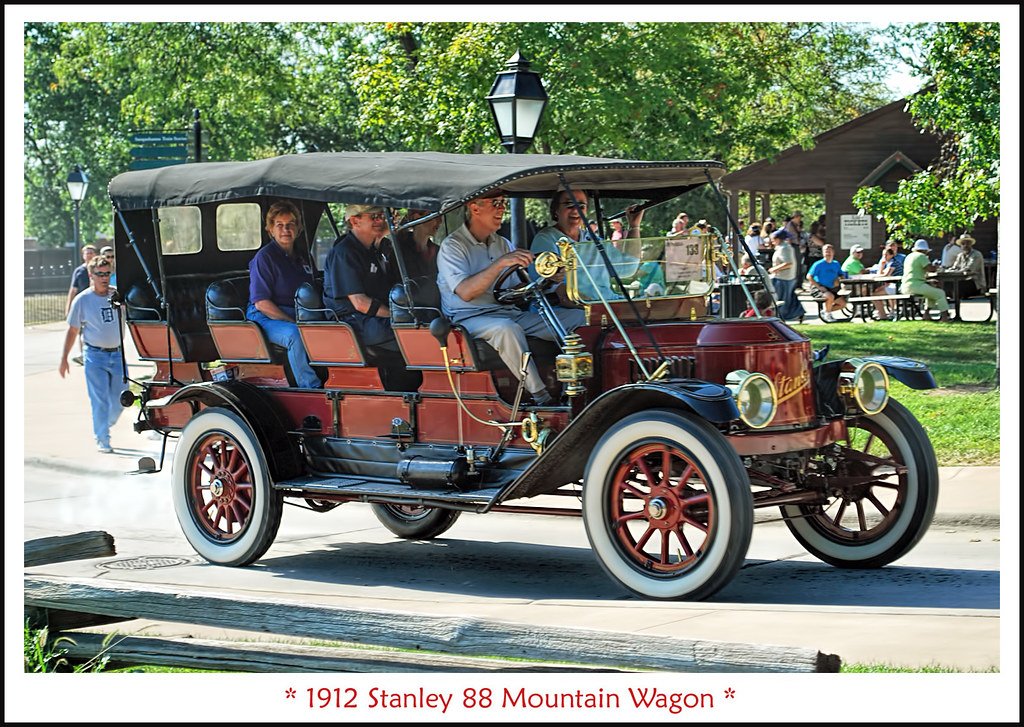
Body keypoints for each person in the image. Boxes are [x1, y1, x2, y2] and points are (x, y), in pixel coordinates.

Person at [437, 192, 586, 406]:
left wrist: (546, 280)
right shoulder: (453, 246)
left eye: (503, 203)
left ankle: (575, 388)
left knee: (579, 318)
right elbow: (466, 292)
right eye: (495, 203)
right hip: (468, 319)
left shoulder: (502, 244)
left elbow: (516, 289)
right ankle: (542, 398)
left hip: (508, 312)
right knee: (506, 329)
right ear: (474, 208)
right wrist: (500, 264)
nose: (502, 209)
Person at [531, 189, 660, 300]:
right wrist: (589, 306)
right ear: (556, 209)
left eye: (581, 206)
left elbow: (628, 268)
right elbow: (551, 286)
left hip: (606, 304)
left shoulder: (593, 240)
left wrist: (634, 226)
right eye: (569, 205)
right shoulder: (546, 239)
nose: (576, 210)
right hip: (573, 309)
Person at [245, 200, 321, 389]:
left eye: (290, 224)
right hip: (264, 317)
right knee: (295, 334)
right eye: (279, 225)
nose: (285, 229)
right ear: (270, 229)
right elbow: (261, 303)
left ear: (298, 228)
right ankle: (310, 387)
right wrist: (292, 321)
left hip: (300, 313)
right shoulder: (265, 257)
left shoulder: (304, 256)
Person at [58, 255, 127, 453]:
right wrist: (64, 359)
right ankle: (102, 438)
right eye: (100, 274)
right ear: (91, 275)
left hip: (117, 355)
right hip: (95, 356)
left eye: (107, 274)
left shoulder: (118, 296)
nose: (104, 278)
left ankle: (104, 423)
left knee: (121, 399)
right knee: (100, 400)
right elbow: (72, 331)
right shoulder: (83, 300)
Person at [323, 204, 402, 350]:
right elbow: (360, 303)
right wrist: (397, 316)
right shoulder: (344, 252)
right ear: (355, 221)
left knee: (423, 321)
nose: (380, 221)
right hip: (353, 322)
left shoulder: (372, 249)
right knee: (411, 332)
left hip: (370, 318)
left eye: (382, 216)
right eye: (374, 217)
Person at [901, 239, 950, 322]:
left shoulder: (909, 256)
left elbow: (915, 272)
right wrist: (937, 266)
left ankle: (926, 315)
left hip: (906, 286)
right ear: (925, 250)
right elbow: (931, 269)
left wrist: (929, 281)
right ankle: (945, 317)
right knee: (940, 293)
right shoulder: (921, 256)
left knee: (932, 293)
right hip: (916, 286)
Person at [65, 243, 98, 365]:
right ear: (83, 255)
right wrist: (68, 308)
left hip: (95, 303)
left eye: (91, 253)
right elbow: (73, 290)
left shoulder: (99, 269)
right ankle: (83, 354)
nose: (89, 255)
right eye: (86, 253)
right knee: (80, 330)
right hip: (82, 304)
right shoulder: (79, 271)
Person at [393, 208, 442, 280]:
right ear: (416, 217)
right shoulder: (399, 252)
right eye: (435, 216)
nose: (440, 221)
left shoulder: (439, 251)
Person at [767, 229, 803, 322]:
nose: (772, 241)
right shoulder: (781, 248)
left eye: (773, 239)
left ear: (778, 239)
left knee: (782, 299)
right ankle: (797, 314)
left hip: (784, 278)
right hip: (782, 277)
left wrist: (774, 269)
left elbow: (788, 263)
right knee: (789, 298)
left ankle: (782, 317)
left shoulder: (785, 248)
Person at [806, 244, 848, 322]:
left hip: (832, 289)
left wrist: (840, 281)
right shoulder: (818, 264)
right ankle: (828, 315)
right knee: (830, 296)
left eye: (829, 251)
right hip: (819, 288)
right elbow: (809, 276)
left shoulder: (836, 264)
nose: (828, 253)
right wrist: (819, 286)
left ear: (833, 252)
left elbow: (841, 275)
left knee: (843, 304)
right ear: (823, 253)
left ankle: (825, 311)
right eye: (826, 251)